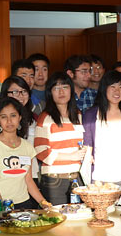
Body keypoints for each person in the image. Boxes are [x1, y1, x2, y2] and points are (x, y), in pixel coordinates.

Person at [0, 97, 51, 210]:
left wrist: (43, 202)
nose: (9, 121)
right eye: (4, 117)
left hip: (23, 204)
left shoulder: (27, 147)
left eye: (13, 115)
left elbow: (28, 180)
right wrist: (1, 209)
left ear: (20, 117)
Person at [83, 71, 121, 194]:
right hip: (101, 181)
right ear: (104, 88)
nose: (117, 91)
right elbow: (87, 148)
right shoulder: (91, 114)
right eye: (113, 87)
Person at [34, 72, 87, 205]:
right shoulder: (45, 117)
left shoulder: (77, 115)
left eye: (65, 87)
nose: (61, 91)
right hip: (55, 180)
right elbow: (40, 151)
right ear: (50, 92)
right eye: (56, 88)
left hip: (77, 178)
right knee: (58, 221)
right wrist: (71, 156)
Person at [0, 76, 40, 192]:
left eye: (24, 91)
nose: (20, 96)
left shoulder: (34, 119)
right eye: (15, 92)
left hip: (31, 174)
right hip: (6, 174)